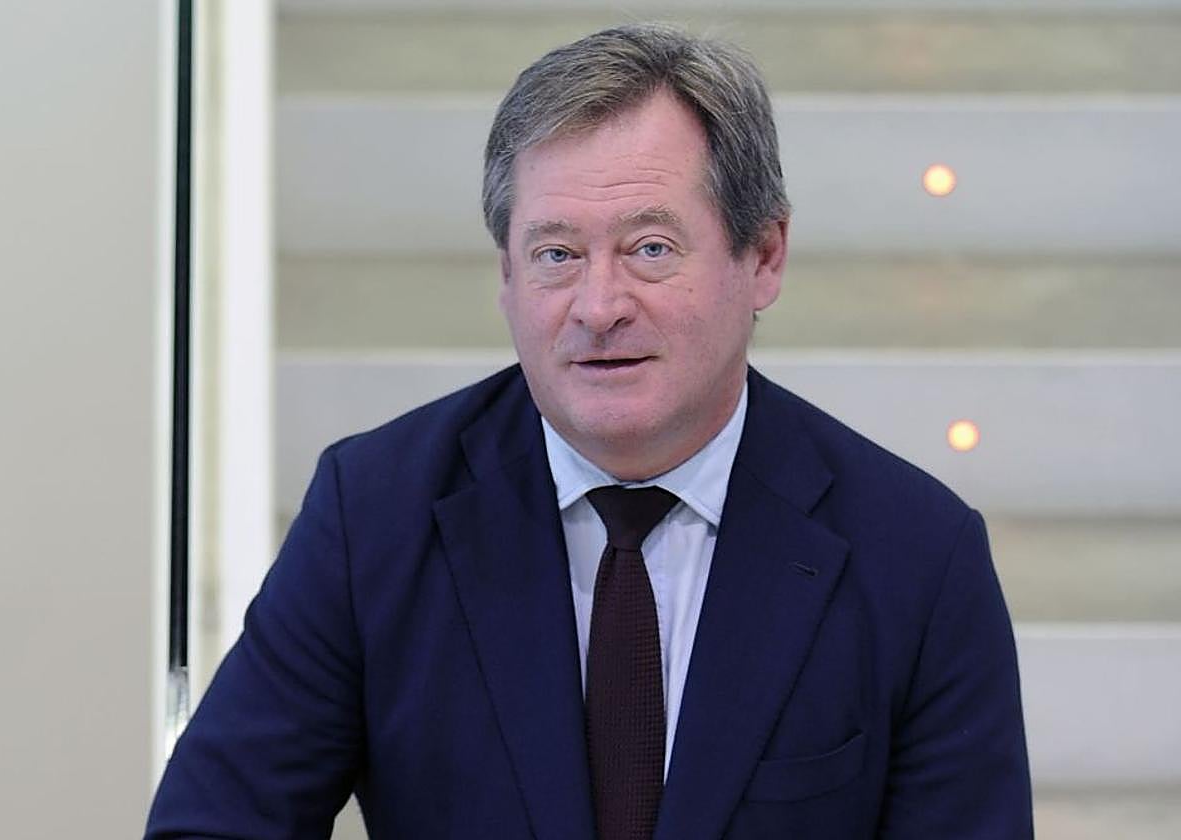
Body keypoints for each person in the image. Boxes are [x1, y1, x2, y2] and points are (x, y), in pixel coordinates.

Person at [146, 23, 1032, 840]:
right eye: (557, 255)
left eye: (650, 248)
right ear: (507, 277)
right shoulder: (373, 514)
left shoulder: (917, 556)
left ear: (763, 256)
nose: (599, 307)